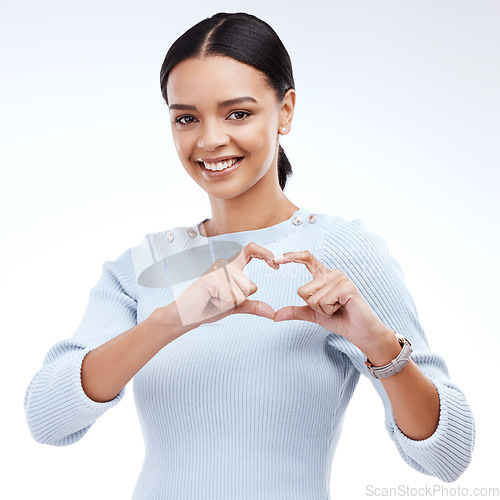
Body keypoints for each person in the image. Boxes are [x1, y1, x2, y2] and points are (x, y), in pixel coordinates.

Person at [24, 11, 475, 499]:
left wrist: (380, 346)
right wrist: (173, 319)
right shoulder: (147, 265)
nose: (210, 139)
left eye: (237, 112)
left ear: (285, 111)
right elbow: (48, 418)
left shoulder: (335, 251)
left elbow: (447, 456)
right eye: (186, 118)